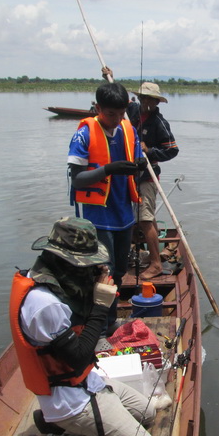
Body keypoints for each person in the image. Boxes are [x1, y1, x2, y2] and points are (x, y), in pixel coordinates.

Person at [10, 217, 156, 436]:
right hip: (70, 398)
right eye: (86, 265)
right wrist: (101, 306)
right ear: (66, 259)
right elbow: (77, 356)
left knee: (147, 412)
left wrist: (97, 289)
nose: (92, 270)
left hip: (88, 382)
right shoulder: (44, 304)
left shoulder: (54, 278)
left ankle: (51, 424)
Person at [68, 81, 145, 324]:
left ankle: (110, 322)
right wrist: (108, 169)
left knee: (120, 271)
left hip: (124, 213)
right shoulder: (84, 134)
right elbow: (78, 180)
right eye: (111, 114)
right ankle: (99, 329)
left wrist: (143, 167)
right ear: (98, 108)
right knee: (104, 273)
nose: (116, 118)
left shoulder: (128, 130)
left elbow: (138, 168)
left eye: (121, 113)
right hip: (98, 217)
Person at [133, 80, 179, 280]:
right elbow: (115, 99)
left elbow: (172, 150)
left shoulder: (159, 122)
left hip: (148, 176)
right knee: (142, 218)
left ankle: (155, 264)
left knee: (145, 219)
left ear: (156, 102)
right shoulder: (131, 111)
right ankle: (143, 255)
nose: (146, 102)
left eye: (150, 99)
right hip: (130, 174)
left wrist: (149, 150)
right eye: (143, 98)